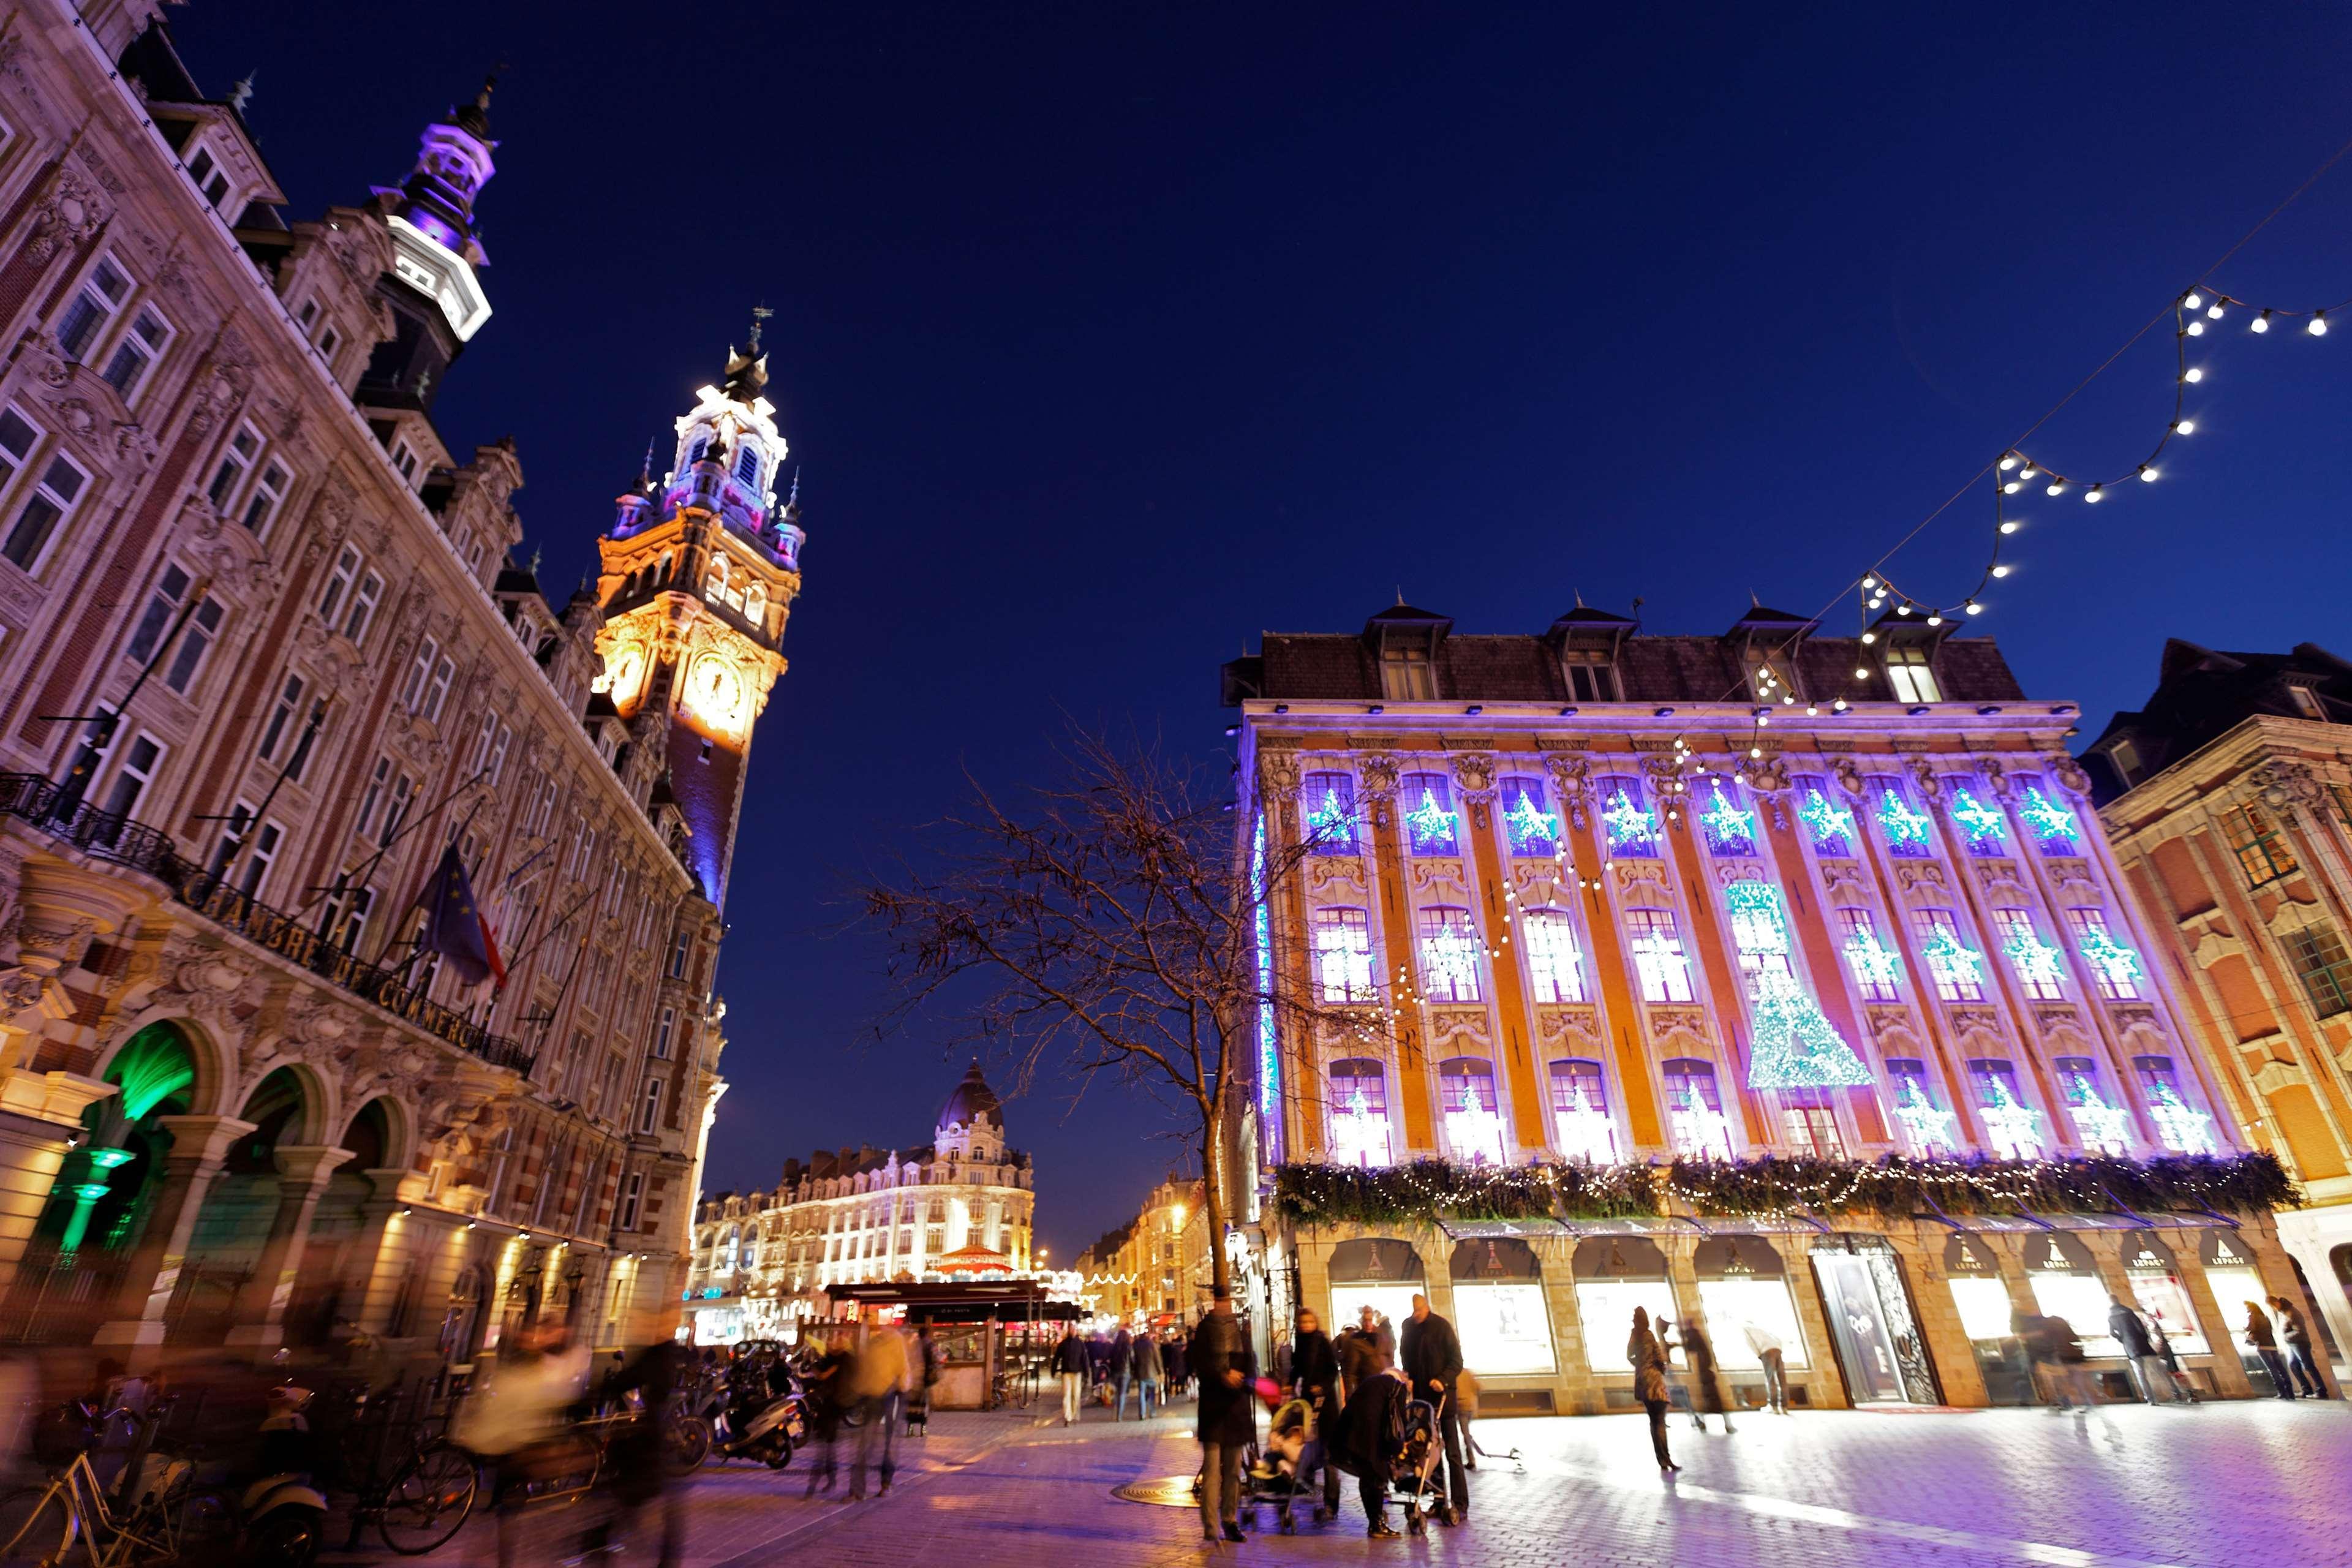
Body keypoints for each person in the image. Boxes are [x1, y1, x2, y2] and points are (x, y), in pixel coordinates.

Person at [600, 1338, 693, 1568]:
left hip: (649, 1438)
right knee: (645, 1503)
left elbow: (631, 1377)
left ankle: (602, 1544)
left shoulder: (656, 1352)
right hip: (654, 1438)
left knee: (630, 1498)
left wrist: (604, 1388)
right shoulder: (667, 1352)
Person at [1191, 1287, 1254, 1544]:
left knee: (1233, 1472)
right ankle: (1210, 1525)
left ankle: (1229, 1521)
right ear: (1215, 1303)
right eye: (1221, 1302)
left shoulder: (1241, 1331)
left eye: (1227, 1302)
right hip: (1213, 1410)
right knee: (1212, 1472)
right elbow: (1200, 1365)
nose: (1225, 1307)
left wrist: (1242, 1379)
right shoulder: (1205, 1331)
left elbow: (1251, 1366)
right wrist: (1221, 1375)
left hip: (1236, 1410)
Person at [1398, 1292, 1467, 1525]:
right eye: (1414, 1311)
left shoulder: (1441, 1326)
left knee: (1453, 1452)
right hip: (1422, 1402)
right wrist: (1408, 1375)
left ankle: (1460, 1502)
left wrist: (1442, 1379)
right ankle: (1439, 1500)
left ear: (1427, 1307)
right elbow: (1405, 1355)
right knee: (1429, 1450)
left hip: (1443, 1398)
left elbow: (1457, 1361)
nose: (1417, 1315)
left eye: (1420, 1310)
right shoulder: (1408, 1327)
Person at [1336, 1349, 1409, 1539]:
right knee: (1377, 1479)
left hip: (1350, 1436)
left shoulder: (1370, 1382)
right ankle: (1376, 1525)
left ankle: (1373, 1522)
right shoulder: (1397, 1388)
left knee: (1366, 1478)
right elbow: (1399, 1422)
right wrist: (1398, 1450)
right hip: (1373, 1440)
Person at [1291, 1307, 1344, 1521]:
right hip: (1307, 1403)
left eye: (1309, 1322)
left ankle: (1331, 1503)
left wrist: (1321, 1386)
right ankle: (1308, 1486)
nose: (1305, 1326)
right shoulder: (1300, 1342)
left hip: (1326, 1404)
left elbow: (1333, 1370)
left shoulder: (1322, 1342)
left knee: (1330, 1454)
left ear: (1315, 1323)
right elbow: (1297, 1369)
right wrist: (1289, 1385)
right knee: (1309, 1448)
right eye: (1302, 1323)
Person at [846, 1324, 909, 1499]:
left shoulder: (893, 1341)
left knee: (883, 1444)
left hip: (890, 1396)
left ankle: (880, 1485)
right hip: (879, 1397)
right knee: (876, 1444)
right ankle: (868, 1488)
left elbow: (902, 1370)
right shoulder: (876, 1343)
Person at [801, 1333, 854, 1496]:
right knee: (825, 1446)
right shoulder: (832, 1357)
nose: (831, 1343)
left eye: (835, 1340)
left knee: (826, 1446)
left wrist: (814, 1368)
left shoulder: (843, 1359)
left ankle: (817, 1483)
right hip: (828, 1405)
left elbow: (824, 1375)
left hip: (835, 1405)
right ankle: (828, 1480)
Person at [1628, 1308, 1677, 1474]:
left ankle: (1662, 1459)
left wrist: (1640, 1366)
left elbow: (1629, 1355)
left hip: (1642, 1383)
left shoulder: (1634, 1335)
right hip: (1655, 1383)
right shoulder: (1649, 1335)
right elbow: (1660, 1357)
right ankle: (1666, 1458)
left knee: (1654, 1422)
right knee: (1660, 1422)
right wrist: (1657, 1368)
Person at [2107, 1295, 2172, 1406]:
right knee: (2159, 1370)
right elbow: (2140, 1328)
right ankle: (2171, 1394)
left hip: (2131, 1348)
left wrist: (2122, 1339)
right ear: (2118, 1300)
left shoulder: (2111, 1316)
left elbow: (2112, 1333)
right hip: (2143, 1346)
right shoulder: (2128, 1312)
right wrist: (2144, 1338)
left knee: (2141, 1375)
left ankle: (2151, 1399)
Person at [1679, 1317, 1733, 1433]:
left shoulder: (1692, 1334)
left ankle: (1705, 1424)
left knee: (1710, 1398)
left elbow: (1690, 1348)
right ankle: (1724, 1425)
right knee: (1713, 1399)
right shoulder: (1695, 1334)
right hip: (1706, 1370)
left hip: (1705, 1371)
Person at [2272, 1295, 2327, 1398]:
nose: (2274, 1309)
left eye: (2273, 1306)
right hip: (2293, 1343)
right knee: (2293, 1365)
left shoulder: (2292, 1312)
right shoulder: (2283, 1313)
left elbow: (2299, 1330)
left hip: (2300, 1343)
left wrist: (2285, 1337)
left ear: (2277, 1303)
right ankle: (2307, 1389)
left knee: (2308, 1366)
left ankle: (2321, 1391)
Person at [2243, 1301, 2294, 1400]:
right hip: (2272, 1344)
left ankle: (2282, 1392)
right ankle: (2290, 1393)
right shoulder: (2265, 1317)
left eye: (2247, 1308)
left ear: (2252, 1308)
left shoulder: (2252, 1316)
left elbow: (2251, 1327)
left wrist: (2245, 1328)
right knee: (2281, 1369)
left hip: (2262, 1345)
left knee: (2273, 1369)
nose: (2247, 1310)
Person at [1743, 1320, 1789, 1414]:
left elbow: (1750, 1343)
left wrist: (1759, 1354)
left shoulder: (1745, 1328)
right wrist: (1779, 1349)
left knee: (1770, 1379)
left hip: (1766, 1351)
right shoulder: (1761, 1328)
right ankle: (1784, 1407)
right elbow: (1777, 1338)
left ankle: (1773, 1407)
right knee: (1782, 1379)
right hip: (1777, 1349)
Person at [907, 1324, 940, 1435]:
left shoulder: (914, 1345)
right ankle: (923, 1430)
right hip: (925, 1379)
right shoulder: (930, 1345)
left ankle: (910, 1429)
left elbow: (908, 1361)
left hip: (913, 1379)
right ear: (926, 1334)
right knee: (923, 1404)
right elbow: (936, 1360)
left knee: (912, 1405)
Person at [1053, 1327, 1089, 1426]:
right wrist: (1053, 1370)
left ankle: (1074, 1414)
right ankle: (1068, 1417)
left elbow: (1085, 1359)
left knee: (1076, 1395)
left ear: (1076, 1331)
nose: (1073, 1331)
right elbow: (1057, 1357)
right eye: (1071, 1330)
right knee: (1066, 1395)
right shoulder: (1064, 1344)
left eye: (1074, 1330)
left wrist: (1086, 1373)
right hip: (1067, 1373)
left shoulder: (1080, 1344)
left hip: (1077, 1373)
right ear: (1069, 1331)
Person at [1132, 1327, 1164, 1420]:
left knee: (1141, 1394)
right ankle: (1152, 1412)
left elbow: (1133, 1359)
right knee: (1152, 1394)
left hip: (1141, 1373)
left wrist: (1134, 1371)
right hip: (1151, 1373)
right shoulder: (1151, 1344)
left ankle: (1142, 1414)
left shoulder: (1136, 1345)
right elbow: (1157, 1359)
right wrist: (1160, 1372)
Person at [1110, 1328, 1135, 1419]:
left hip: (1115, 1372)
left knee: (1117, 1392)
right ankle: (1119, 1415)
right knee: (1122, 1393)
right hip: (1125, 1372)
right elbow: (1132, 1360)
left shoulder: (1114, 1347)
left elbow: (1111, 1360)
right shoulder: (1128, 1347)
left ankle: (1116, 1411)